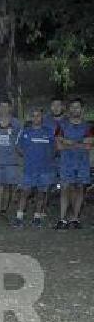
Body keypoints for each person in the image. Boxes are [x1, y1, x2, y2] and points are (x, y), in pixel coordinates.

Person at [54, 98, 93, 229]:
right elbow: (58, 146)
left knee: (80, 189)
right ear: (69, 109)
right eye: (72, 107)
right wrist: (79, 143)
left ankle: (75, 218)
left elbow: (88, 146)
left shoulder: (88, 126)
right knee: (65, 188)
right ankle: (62, 219)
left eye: (77, 107)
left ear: (82, 109)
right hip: (66, 163)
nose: (74, 109)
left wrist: (68, 142)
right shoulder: (62, 125)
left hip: (82, 163)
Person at [13, 107, 55, 228]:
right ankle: (19, 217)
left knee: (41, 194)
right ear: (31, 118)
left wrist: (48, 159)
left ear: (42, 117)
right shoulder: (25, 131)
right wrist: (27, 156)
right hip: (29, 169)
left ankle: (37, 217)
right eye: (34, 115)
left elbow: (54, 147)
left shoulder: (49, 131)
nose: (36, 118)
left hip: (44, 169)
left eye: (38, 116)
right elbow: (18, 147)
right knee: (25, 192)